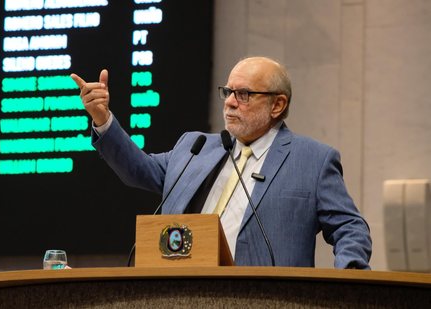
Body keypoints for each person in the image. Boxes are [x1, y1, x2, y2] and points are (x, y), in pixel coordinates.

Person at [70, 56, 372, 269]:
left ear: (277, 105)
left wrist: (349, 278)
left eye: (244, 94)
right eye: (228, 92)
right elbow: (139, 170)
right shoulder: (195, 147)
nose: (229, 101)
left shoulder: (313, 160)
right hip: (178, 294)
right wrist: (102, 118)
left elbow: (350, 227)